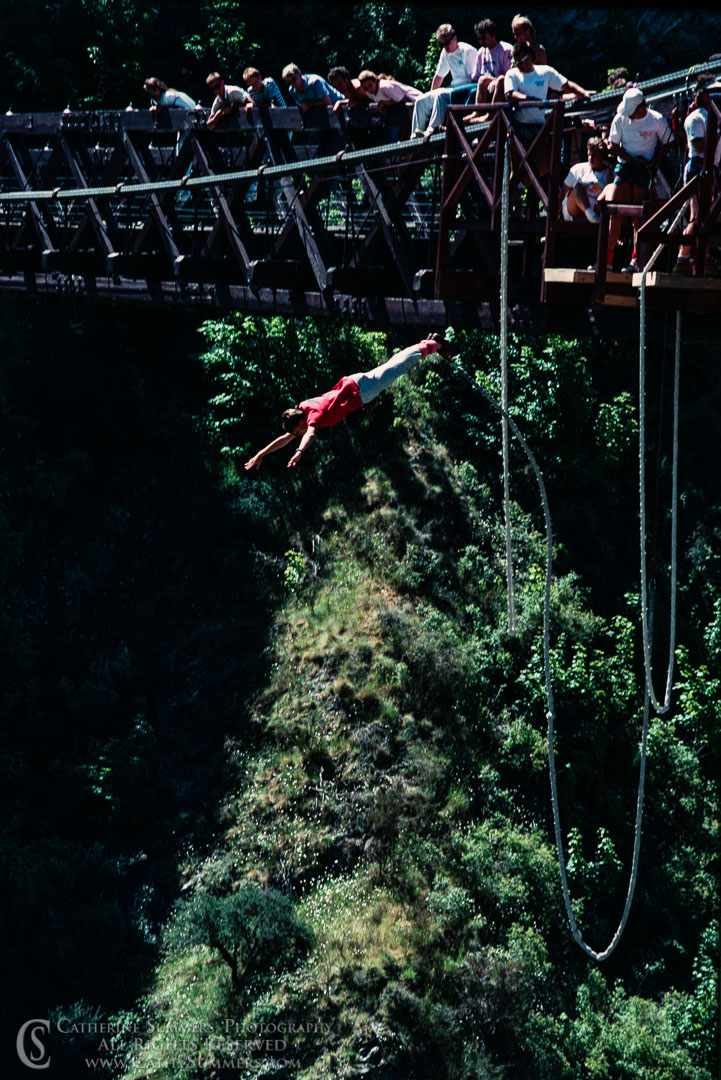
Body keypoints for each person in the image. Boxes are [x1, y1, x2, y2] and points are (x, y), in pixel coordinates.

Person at [244, 335, 454, 471]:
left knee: (398, 368)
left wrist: (299, 452)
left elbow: (310, 434)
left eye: (298, 431)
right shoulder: (303, 408)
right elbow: (285, 438)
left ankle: (434, 345)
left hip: (361, 392)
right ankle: (427, 344)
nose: (298, 434)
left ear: (300, 422)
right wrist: (261, 453)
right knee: (392, 365)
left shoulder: (312, 416)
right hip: (355, 383)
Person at [599, 86, 673, 271]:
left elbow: (669, 142)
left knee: (639, 216)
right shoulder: (620, 119)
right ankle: (606, 260)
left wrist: (654, 162)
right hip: (625, 166)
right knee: (615, 210)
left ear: (641, 109)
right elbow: (613, 145)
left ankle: (636, 260)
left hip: (645, 169)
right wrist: (631, 159)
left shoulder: (656, 120)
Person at [504, 43, 592, 172]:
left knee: (547, 163)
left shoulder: (545, 72)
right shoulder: (512, 74)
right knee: (516, 167)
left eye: (520, 62)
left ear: (529, 57)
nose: (518, 66)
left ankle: (527, 182)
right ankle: (517, 183)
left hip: (539, 126)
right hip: (519, 126)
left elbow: (566, 85)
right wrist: (529, 99)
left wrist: (583, 93)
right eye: (515, 63)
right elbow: (510, 94)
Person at [674, 76, 721, 275]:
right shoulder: (696, 118)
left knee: (709, 216)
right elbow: (700, 146)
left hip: (714, 167)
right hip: (698, 168)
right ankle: (683, 258)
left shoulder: (716, 115)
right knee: (698, 215)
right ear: (703, 95)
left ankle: (704, 257)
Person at [411, 24, 478, 138]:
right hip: (452, 88)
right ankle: (414, 137)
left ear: (455, 39)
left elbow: (475, 78)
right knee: (420, 100)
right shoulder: (445, 53)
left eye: (447, 43)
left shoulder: (467, 51)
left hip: (465, 89)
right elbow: (439, 77)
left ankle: (431, 130)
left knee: (440, 96)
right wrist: (430, 96)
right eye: (442, 44)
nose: (445, 47)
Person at [463, 19, 513, 122]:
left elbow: (510, 76)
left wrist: (494, 82)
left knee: (500, 79)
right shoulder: (481, 52)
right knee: (482, 80)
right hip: (487, 86)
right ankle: (478, 112)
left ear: (493, 35)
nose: (481, 41)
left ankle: (491, 114)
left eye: (484, 38)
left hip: (503, 83)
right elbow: (476, 77)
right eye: (479, 38)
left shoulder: (506, 50)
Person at [559, 137, 611, 223]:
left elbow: (608, 191)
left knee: (608, 193)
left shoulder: (608, 173)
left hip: (596, 209)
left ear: (602, 157)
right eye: (589, 155)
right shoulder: (578, 169)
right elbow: (564, 192)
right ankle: (590, 214)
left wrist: (609, 168)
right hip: (575, 210)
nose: (590, 158)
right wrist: (554, 216)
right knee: (578, 186)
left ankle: (594, 217)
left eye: (594, 156)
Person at [358, 70, 423, 109]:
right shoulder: (369, 93)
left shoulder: (384, 86)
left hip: (419, 102)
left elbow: (403, 100)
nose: (369, 89)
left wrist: (384, 103)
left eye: (370, 85)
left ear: (375, 81)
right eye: (365, 88)